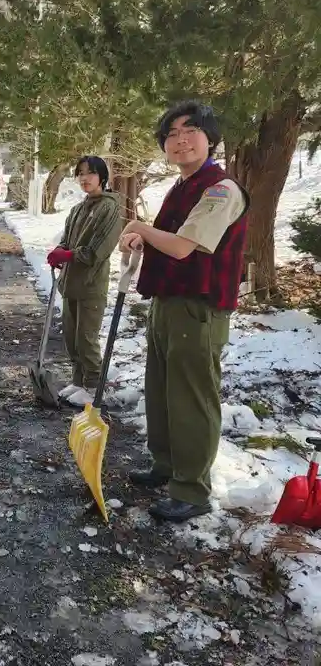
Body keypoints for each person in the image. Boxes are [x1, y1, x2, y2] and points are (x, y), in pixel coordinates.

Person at [119, 101, 249, 523]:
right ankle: (166, 466)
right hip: (167, 301)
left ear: (210, 139)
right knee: (160, 390)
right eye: (171, 134)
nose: (180, 139)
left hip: (199, 308)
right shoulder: (180, 187)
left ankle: (191, 489)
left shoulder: (220, 189)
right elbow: (166, 239)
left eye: (190, 130)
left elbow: (180, 246)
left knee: (191, 398)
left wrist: (139, 228)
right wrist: (141, 240)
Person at [47, 156, 122, 407]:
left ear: (102, 177)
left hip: (91, 284)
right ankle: (78, 381)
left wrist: (69, 255)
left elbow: (97, 251)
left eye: (90, 173)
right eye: (80, 174)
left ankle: (93, 386)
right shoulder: (78, 209)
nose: (84, 178)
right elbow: (67, 239)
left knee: (86, 338)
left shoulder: (109, 208)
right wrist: (59, 252)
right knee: (71, 336)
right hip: (71, 283)